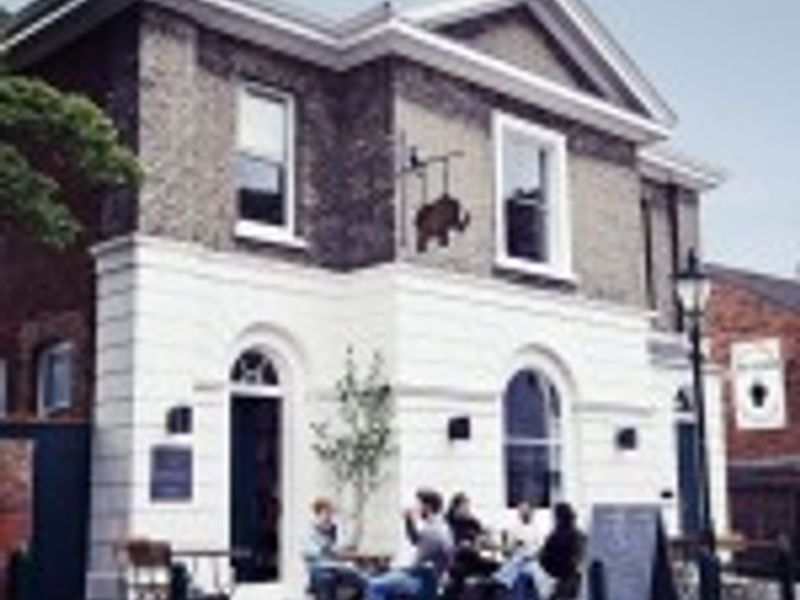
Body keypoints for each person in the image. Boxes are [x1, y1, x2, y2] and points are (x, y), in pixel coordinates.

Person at [365, 489, 453, 600]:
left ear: (427, 507)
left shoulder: (433, 530)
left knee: (373, 586)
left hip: (422, 581)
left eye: (419, 505)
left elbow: (418, 562)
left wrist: (398, 569)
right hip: (428, 578)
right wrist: (409, 521)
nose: (416, 508)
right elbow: (416, 540)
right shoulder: (438, 525)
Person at [305, 497, 365, 600]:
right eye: (326, 513)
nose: (329, 516)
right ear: (318, 514)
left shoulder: (336, 528)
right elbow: (310, 553)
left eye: (330, 513)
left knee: (362, 580)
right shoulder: (310, 530)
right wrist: (328, 549)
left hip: (340, 567)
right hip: (321, 568)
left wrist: (344, 550)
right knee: (326, 579)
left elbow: (343, 546)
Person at [443, 493, 499, 600]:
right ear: (456, 508)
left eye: (468, 507)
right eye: (464, 507)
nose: (467, 510)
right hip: (457, 560)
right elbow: (452, 544)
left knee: (496, 568)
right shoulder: (448, 523)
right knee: (457, 573)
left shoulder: (472, 522)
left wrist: (488, 538)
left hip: (473, 557)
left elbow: (483, 538)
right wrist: (466, 545)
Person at [493, 502, 545, 600]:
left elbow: (540, 548)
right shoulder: (513, 528)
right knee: (517, 577)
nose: (525, 513)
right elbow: (508, 550)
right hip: (517, 562)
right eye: (522, 511)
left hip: (533, 562)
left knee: (537, 580)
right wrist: (516, 546)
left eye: (527, 511)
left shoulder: (537, 528)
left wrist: (534, 554)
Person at [538, 503, 584, 600]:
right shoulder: (579, 535)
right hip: (571, 577)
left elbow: (544, 557)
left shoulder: (556, 535)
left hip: (562, 577)